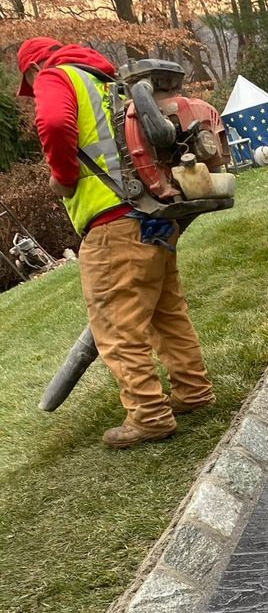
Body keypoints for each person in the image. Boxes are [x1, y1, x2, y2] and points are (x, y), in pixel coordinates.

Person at [16, 36, 215, 449]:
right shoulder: (111, 84)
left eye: (29, 84)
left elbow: (53, 125)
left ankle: (148, 415)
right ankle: (193, 391)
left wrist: (65, 177)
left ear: (34, 69)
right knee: (165, 311)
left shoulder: (55, 76)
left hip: (113, 224)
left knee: (116, 324)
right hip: (153, 214)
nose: (33, 91)